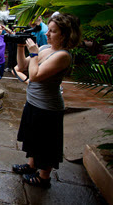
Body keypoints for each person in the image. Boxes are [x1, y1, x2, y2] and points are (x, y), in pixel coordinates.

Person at [12, 13, 82, 188]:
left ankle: (44, 178)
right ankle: (31, 165)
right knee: (33, 137)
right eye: (48, 30)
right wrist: (21, 46)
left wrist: (33, 54)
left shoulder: (63, 56)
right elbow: (21, 66)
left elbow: (34, 76)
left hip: (48, 108)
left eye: (53, 31)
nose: (48, 34)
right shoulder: (44, 48)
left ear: (65, 34)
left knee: (46, 143)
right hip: (33, 103)